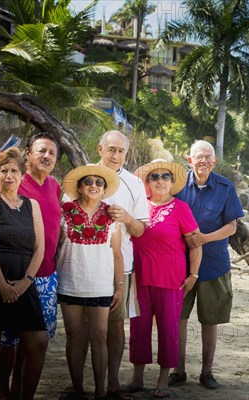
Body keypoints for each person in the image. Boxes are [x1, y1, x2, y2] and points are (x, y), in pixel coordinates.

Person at [0, 132, 61, 400]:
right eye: (4, 171)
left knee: (37, 340)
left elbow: (40, 247)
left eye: (13, 171)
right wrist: (2, 285)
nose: (9, 176)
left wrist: (24, 283)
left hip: (29, 279)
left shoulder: (39, 198)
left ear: (22, 175)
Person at [169, 140, 244, 389]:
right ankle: (178, 371)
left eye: (208, 158)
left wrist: (204, 238)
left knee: (209, 321)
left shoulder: (225, 187)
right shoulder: (177, 186)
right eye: (198, 157)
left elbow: (232, 227)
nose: (203, 161)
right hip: (179, 265)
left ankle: (207, 373)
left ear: (215, 162)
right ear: (188, 160)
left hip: (214, 264)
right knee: (177, 318)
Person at [126, 159, 202, 398]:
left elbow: (195, 244)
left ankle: (162, 382)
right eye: (154, 177)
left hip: (171, 280)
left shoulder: (181, 208)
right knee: (139, 328)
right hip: (140, 278)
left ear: (171, 183)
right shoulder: (138, 206)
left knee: (168, 329)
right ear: (147, 183)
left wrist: (193, 275)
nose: (160, 181)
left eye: (165, 177)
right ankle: (137, 378)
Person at [56, 164, 123, 400]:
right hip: (70, 281)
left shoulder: (112, 214)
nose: (94, 186)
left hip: (101, 284)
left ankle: (101, 391)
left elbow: (117, 254)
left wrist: (119, 286)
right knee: (74, 334)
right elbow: (56, 247)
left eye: (99, 182)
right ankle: (77, 389)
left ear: (104, 189)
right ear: (80, 187)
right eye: (88, 182)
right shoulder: (64, 211)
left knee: (100, 335)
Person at [95, 130, 148, 398]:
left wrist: (127, 218)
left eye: (121, 151)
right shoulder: (85, 176)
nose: (116, 156)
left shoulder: (133, 184)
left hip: (121, 267)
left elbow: (140, 230)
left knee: (116, 325)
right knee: (81, 327)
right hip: (85, 265)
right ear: (100, 149)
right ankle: (83, 385)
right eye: (111, 149)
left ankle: (113, 382)